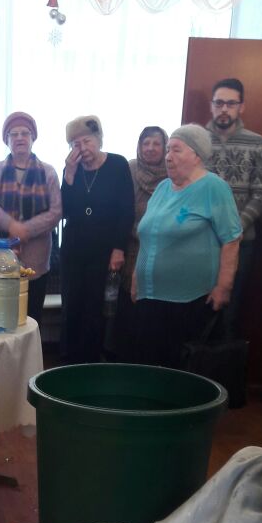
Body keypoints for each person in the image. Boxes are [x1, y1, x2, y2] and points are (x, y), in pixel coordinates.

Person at [130, 124, 242, 368]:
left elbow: (231, 239)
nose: (168, 156)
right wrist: (137, 278)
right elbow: (148, 236)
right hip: (150, 297)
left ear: (197, 155)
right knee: (149, 366)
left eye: (176, 150)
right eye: (168, 150)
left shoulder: (213, 187)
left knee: (180, 371)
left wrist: (224, 287)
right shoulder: (162, 188)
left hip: (190, 303)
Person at [60, 115, 134, 363]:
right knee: (72, 307)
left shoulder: (117, 164)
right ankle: (69, 364)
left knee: (95, 310)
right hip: (73, 250)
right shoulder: (71, 169)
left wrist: (119, 249)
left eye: (87, 141)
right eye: (75, 144)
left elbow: (126, 211)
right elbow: (65, 210)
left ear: (99, 139)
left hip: (104, 251)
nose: (82, 148)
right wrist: (69, 175)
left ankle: (90, 362)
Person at [0, 112, 61, 327]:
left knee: (30, 321)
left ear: (33, 138)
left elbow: (55, 212)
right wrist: (11, 225)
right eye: (13, 134)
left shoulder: (48, 172)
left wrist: (26, 229)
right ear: (7, 140)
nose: (20, 138)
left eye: (25, 133)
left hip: (35, 265)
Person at [206, 77, 262, 338]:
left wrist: (234, 229)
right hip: (202, 240)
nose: (224, 109)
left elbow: (261, 193)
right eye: (219, 103)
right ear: (211, 105)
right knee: (197, 311)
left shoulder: (258, 143)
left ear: (241, 107)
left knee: (229, 315)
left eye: (230, 104)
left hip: (242, 241)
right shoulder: (198, 141)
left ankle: (222, 365)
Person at [115, 126, 168, 360]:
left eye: (156, 143)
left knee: (154, 311)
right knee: (129, 309)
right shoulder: (130, 169)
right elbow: (119, 207)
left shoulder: (173, 173)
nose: (150, 148)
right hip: (130, 248)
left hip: (162, 251)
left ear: (165, 147)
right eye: (146, 143)